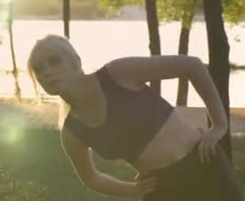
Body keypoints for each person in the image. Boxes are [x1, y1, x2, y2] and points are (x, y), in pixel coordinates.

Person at [27, 34, 243, 200]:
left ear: (76, 60)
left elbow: (192, 66)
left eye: (54, 61)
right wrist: (132, 190)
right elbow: (90, 177)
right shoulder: (72, 132)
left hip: (203, 164)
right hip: (163, 189)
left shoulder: (118, 74)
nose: (46, 71)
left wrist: (219, 125)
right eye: (39, 68)